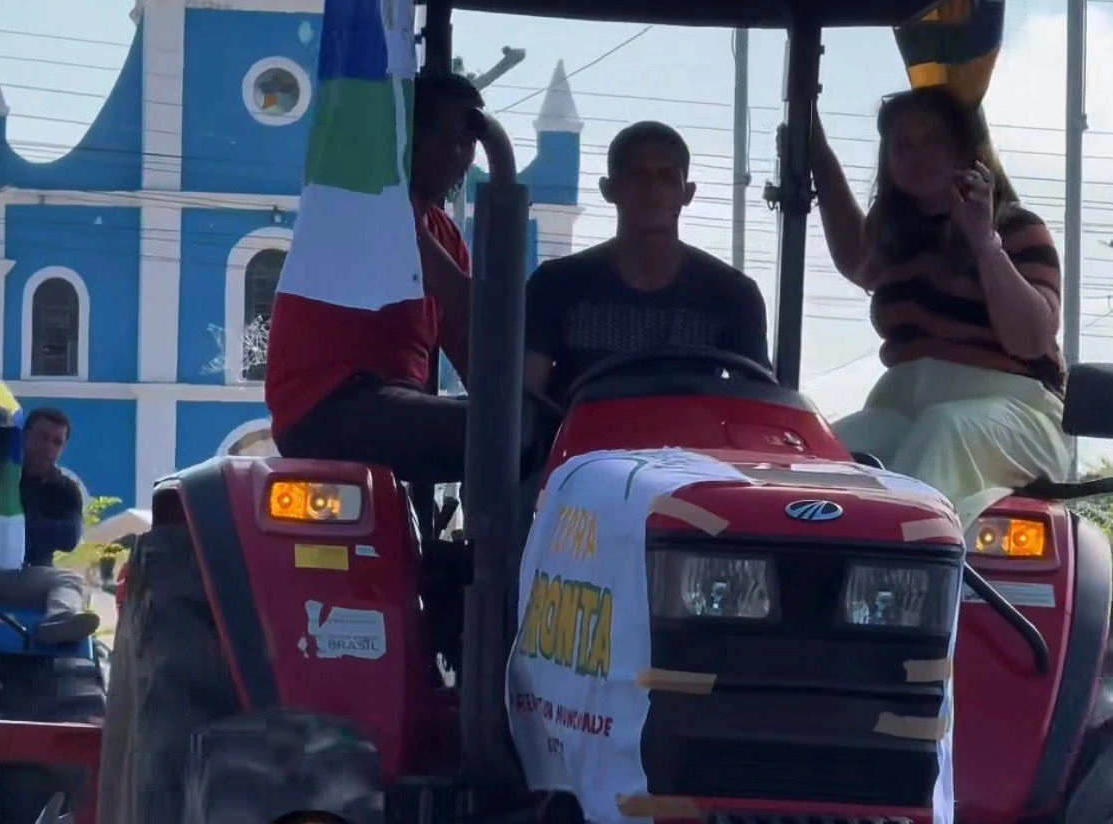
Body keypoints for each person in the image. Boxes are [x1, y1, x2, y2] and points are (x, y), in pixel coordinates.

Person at [811, 86, 1071, 524]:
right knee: (826, 454)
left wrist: (983, 242)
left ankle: (893, 569)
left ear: (966, 150)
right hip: (905, 407)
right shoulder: (896, 238)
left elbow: (1031, 339)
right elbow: (856, 259)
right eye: (903, 145)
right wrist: (816, 151)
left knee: (945, 430)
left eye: (934, 140)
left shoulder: (1018, 229)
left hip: (1017, 414)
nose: (918, 155)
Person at [266, 71, 481, 483]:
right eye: (445, 142)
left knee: (521, 432)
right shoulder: (372, 205)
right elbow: (463, 301)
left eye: (467, 144)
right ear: (407, 142)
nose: (458, 157)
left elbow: (470, 344)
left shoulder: (445, 233)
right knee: (506, 432)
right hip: (329, 406)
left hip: (392, 402)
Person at [525, 121, 770, 404]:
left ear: (687, 193)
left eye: (666, 177)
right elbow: (524, 402)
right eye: (637, 176)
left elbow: (757, 406)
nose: (652, 190)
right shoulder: (556, 286)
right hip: (582, 447)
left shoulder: (734, 295)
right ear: (609, 189)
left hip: (692, 445)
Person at [0, 407, 99, 645]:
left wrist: (19, 525)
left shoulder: (65, 489)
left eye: (56, 441)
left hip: (30, 574)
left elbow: (69, 537)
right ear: (24, 435)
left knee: (71, 581)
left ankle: (58, 621)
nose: (48, 446)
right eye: (42, 436)